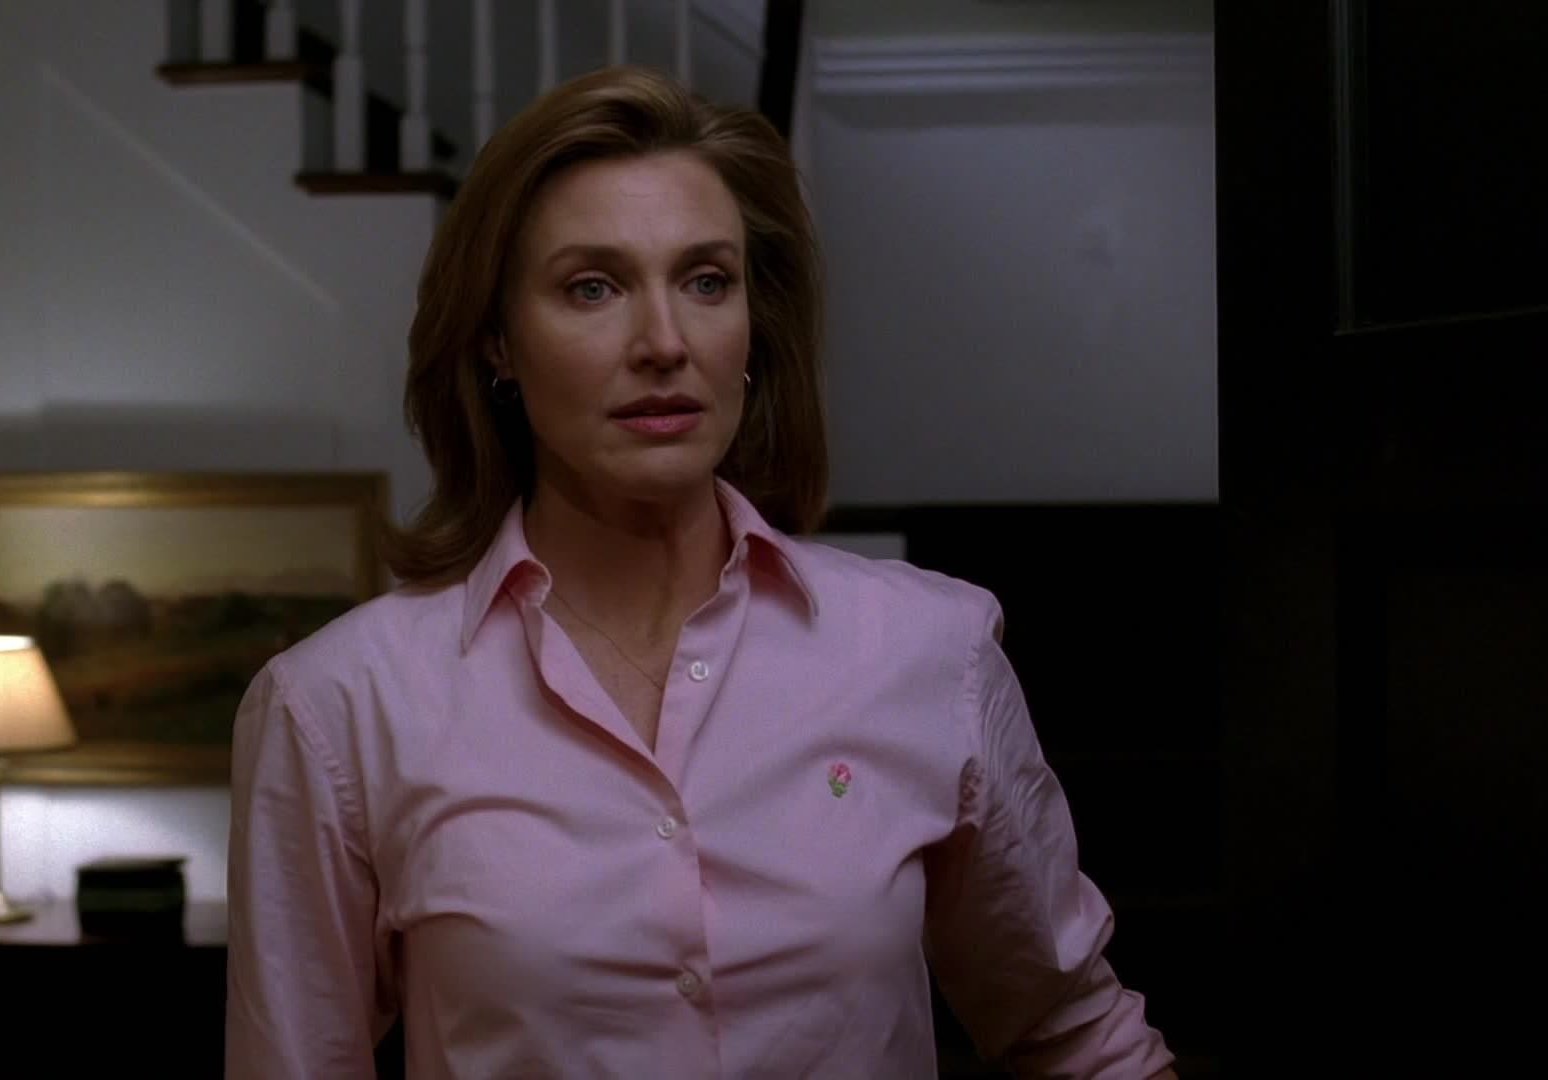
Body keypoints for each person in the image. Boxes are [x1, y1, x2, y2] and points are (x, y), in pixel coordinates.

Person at [226, 64, 1177, 1080]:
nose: (664, 343)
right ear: (498, 342)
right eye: (592, 287)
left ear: (754, 330)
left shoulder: (931, 653)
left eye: (707, 281)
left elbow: (1077, 1038)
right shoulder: (339, 708)